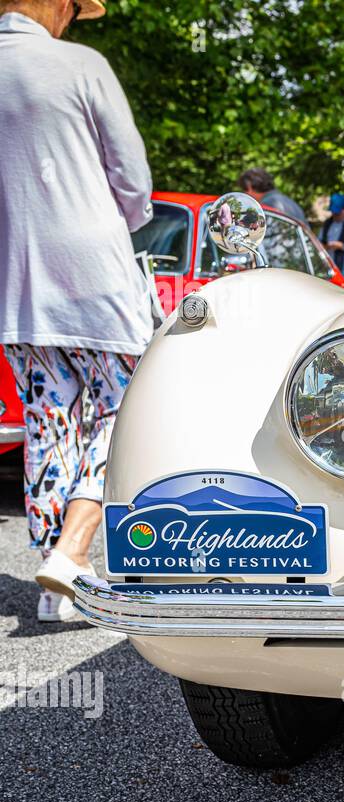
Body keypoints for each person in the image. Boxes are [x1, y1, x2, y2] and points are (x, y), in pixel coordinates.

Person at [0, 0, 152, 623]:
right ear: (59, 7)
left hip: (15, 281)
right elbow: (134, 180)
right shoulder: (79, 63)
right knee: (130, 402)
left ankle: (56, 586)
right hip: (92, 274)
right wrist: (132, 226)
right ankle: (74, 547)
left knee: (48, 423)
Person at [236, 167, 307, 224]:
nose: (245, 194)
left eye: (244, 189)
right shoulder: (291, 203)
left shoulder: (267, 205)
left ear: (249, 187)